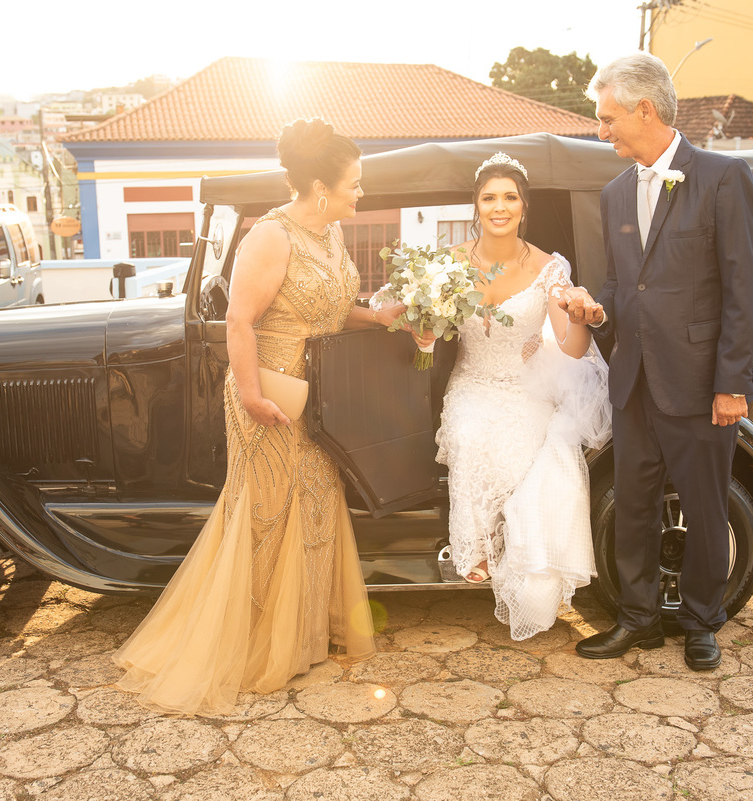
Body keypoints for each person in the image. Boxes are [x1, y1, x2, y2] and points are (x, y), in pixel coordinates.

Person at [112, 118, 404, 714]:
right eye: (355, 183)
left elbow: (327, 309)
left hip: (318, 401)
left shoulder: (329, 235)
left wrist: (377, 317)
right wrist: (249, 396)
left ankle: (297, 639)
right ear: (321, 187)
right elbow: (239, 321)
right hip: (269, 396)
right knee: (268, 511)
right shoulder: (270, 236)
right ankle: (250, 643)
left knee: (316, 503)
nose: (361, 193)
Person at [563, 53, 753, 670]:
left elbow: (745, 290)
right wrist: (600, 315)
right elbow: (628, 289)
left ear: (643, 110)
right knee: (634, 503)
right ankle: (639, 619)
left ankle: (704, 622)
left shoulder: (724, 178)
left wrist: (734, 383)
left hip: (704, 385)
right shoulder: (615, 193)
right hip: (635, 384)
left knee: (705, 506)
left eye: (607, 118)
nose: (601, 131)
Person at [434, 153, 611, 641]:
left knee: (526, 451)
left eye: (509, 197)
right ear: (475, 204)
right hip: (472, 380)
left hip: (527, 386)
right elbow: (427, 328)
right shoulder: (448, 263)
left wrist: (579, 316)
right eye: (489, 197)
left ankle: (517, 556)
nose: (499, 206)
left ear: (523, 207)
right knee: (469, 435)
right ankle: (478, 551)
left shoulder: (550, 268)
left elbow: (573, 349)